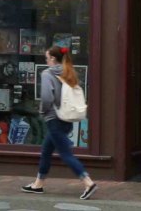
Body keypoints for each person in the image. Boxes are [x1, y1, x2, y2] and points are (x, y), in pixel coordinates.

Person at [22, 46, 96, 200]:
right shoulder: (68, 72)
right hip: (67, 119)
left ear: (53, 59)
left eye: (47, 58)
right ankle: (38, 184)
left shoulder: (48, 74)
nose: (46, 60)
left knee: (66, 154)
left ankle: (88, 182)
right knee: (46, 151)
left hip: (54, 120)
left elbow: (48, 98)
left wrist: (42, 111)